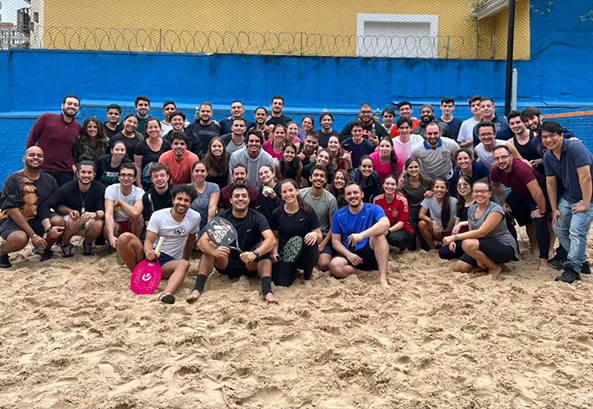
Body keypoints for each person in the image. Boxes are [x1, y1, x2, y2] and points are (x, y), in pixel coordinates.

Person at [187, 184, 277, 303]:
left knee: (264, 247)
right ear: (230, 200)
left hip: (249, 264)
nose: (240, 198)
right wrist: (214, 251)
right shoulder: (222, 218)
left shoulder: (257, 217)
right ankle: (197, 288)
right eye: (237, 196)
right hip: (226, 263)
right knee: (210, 246)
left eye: (244, 196)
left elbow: (271, 240)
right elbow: (202, 242)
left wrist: (255, 253)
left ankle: (267, 291)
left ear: (249, 199)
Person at [117, 184, 200, 304]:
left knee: (184, 264)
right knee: (124, 238)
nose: (182, 203)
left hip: (168, 261)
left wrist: (185, 259)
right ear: (173, 200)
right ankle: (138, 274)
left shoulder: (195, 217)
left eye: (186, 200)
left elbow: (191, 240)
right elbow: (149, 240)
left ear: (191, 203)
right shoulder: (158, 215)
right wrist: (148, 252)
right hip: (151, 253)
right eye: (179, 199)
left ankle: (166, 294)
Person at [542, 121, 593, 283]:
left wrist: (586, 203)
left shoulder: (575, 148)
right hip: (571, 195)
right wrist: (554, 208)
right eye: (544, 137)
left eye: (552, 136)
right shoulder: (548, 156)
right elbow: (550, 183)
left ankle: (573, 269)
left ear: (561, 135)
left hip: (589, 195)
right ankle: (581, 260)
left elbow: (586, 177)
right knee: (558, 225)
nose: (549, 140)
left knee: (577, 230)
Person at [0, 147, 66, 267]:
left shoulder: (50, 180)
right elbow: (13, 211)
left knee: (59, 221)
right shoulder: (12, 180)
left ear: (43, 159)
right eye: (31, 155)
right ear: (24, 158)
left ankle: (44, 249)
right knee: (20, 238)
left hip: (38, 216)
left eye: (39, 156)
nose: (36, 158)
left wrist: (71, 213)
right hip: (13, 219)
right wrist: (33, 235)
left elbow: (54, 205)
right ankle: (2, 253)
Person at [443, 181, 519, 280]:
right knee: (459, 268)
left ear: (489, 194)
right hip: (481, 245)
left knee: (467, 244)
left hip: (503, 246)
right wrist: (478, 258)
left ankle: (494, 268)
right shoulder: (472, 209)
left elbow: (481, 232)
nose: (479, 194)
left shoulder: (496, 209)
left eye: (483, 191)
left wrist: (454, 237)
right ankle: (492, 264)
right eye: (476, 191)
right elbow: (472, 231)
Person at [491, 145, 551, 270]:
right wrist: (503, 202)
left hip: (540, 192)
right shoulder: (496, 170)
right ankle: (521, 249)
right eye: (497, 158)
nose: (500, 161)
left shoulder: (521, 168)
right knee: (504, 214)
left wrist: (541, 211)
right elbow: (496, 186)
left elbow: (537, 192)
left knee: (540, 221)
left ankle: (544, 260)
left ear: (511, 157)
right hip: (519, 193)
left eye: (503, 157)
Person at [329, 182, 390, 287]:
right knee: (334, 266)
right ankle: (365, 274)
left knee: (379, 236)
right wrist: (349, 254)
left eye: (356, 192)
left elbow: (385, 224)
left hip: (369, 251)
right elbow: (335, 241)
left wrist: (361, 235)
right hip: (350, 253)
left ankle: (383, 278)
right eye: (349, 194)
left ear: (362, 194)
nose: (352, 196)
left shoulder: (373, 208)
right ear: (345, 197)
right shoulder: (339, 214)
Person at [47, 160, 106, 257]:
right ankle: (65, 244)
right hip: (69, 222)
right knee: (73, 220)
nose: (86, 175)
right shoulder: (68, 187)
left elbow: (103, 210)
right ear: (77, 173)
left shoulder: (100, 188)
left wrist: (94, 214)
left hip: (88, 221)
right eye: (83, 172)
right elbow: (54, 204)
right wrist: (69, 211)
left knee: (98, 223)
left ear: (94, 174)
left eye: (89, 172)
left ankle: (87, 243)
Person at [271, 180, 322, 286]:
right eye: (284, 192)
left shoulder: (308, 211)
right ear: (281, 194)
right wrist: (275, 252)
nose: (288, 194)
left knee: (311, 242)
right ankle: (291, 270)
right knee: (281, 283)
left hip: (306, 254)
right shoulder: (276, 213)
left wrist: (315, 235)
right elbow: (275, 237)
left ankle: (307, 277)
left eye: (291, 190)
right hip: (287, 253)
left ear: (297, 191)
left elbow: (319, 236)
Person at [25, 95, 82, 186]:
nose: (72, 106)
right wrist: (29, 161)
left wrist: (73, 164)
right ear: (62, 105)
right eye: (69, 103)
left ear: (78, 108)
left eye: (75, 105)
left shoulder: (78, 127)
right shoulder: (46, 118)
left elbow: (74, 148)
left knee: (62, 200)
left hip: (65, 172)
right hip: (43, 169)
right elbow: (32, 139)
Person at [300, 165, 338, 271]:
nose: (319, 178)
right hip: (303, 236)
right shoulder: (300, 195)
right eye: (316, 175)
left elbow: (333, 226)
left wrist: (322, 245)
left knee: (324, 264)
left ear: (325, 180)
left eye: (322, 176)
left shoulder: (331, 199)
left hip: (323, 237)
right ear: (310, 178)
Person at [104, 163, 144, 249]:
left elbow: (135, 213)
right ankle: (114, 245)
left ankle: (135, 244)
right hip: (117, 224)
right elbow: (108, 214)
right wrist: (110, 236)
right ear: (118, 177)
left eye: (130, 175)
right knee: (107, 226)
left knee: (139, 218)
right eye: (123, 175)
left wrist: (120, 202)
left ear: (134, 179)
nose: (126, 178)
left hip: (131, 225)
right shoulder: (111, 189)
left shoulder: (139, 192)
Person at [373, 175, 413, 251]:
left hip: (402, 228)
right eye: (387, 184)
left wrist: (388, 231)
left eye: (393, 184)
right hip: (384, 228)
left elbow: (401, 223)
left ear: (397, 186)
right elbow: (375, 219)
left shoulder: (402, 200)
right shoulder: (376, 200)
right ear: (383, 185)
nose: (390, 186)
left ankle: (403, 248)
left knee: (393, 238)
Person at [401, 158, 434, 250]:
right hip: (411, 212)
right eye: (410, 167)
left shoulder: (428, 180)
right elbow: (401, 198)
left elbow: (435, 190)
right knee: (411, 246)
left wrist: (432, 192)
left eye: (416, 167)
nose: (414, 169)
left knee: (425, 246)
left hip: (426, 212)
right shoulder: (403, 182)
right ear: (406, 170)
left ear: (420, 168)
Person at [439, 175, 474, 260]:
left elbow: (480, 221)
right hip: (464, 235)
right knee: (444, 252)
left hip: (476, 234)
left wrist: (462, 223)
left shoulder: (478, 201)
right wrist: (452, 239)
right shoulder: (461, 203)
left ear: (471, 186)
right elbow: (456, 224)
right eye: (459, 186)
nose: (462, 187)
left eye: (465, 185)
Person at [418, 178, 458, 250]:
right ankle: (432, 249)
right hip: (437, 232)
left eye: (442, 187)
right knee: (422, 224)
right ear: (433, 188)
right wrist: (433, 221)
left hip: (450, 232)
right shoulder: (429, 199)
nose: (439, 190)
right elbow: (421, 214)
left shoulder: (454, 201)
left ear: (447, 189)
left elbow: (456, 220)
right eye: (437, 187)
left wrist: (453, 236)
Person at [134, 117, 171, 189]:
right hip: (146, 184)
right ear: (146, 130)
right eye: (150, 127)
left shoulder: (167, 144)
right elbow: (138, 166)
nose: (153, 129)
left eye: (156, 127)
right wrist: (139, 184)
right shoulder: (140, 146)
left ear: (160, 129)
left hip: (164, 183)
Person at [506, 110, 543, 175]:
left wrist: (538, 161)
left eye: (518, 122)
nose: (515, 126)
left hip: (543, 174)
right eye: (512, 124)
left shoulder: (536, 135)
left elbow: (552, 156)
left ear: (524, 123)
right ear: (509, 126)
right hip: (524, 178)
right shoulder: (510, 143)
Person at [190, 161, 220, 230]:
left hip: (209, 224)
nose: (199, 173)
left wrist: (208, 231)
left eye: (202, 171)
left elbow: (212, 210)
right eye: (197, 171)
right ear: (192, 173)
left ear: (207, 173)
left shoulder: (214, 187)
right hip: (192, 226)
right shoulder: (187, 188)